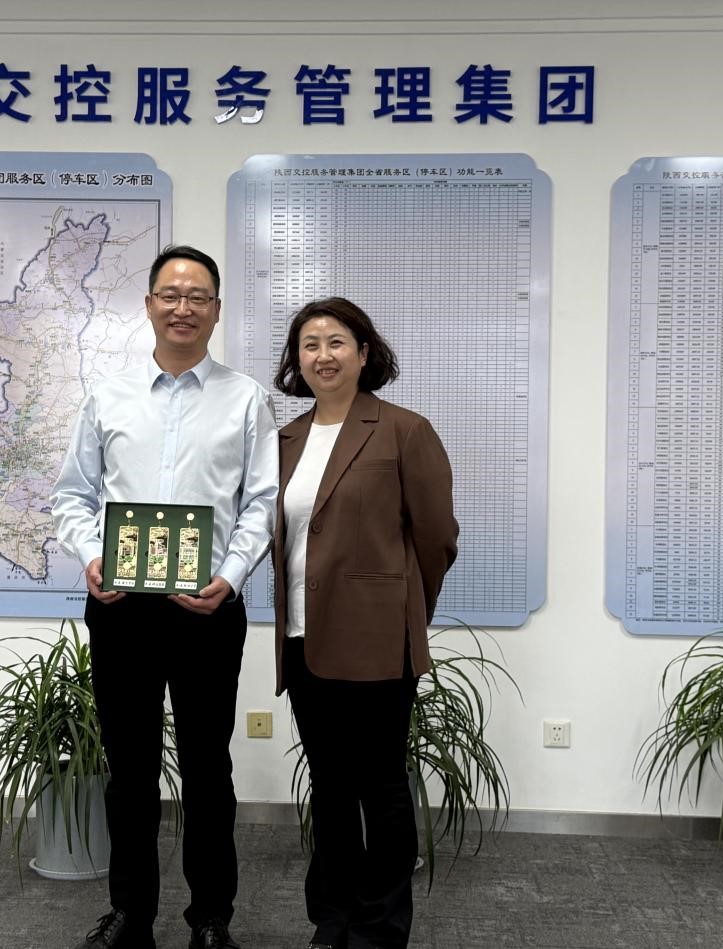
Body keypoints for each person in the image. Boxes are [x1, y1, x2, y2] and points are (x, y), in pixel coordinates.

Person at [51, 245, 279, 949]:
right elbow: (72, 495)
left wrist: (230, 575)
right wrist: (92, 556)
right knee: (130, 770)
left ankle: (210, 918)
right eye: (171, 295)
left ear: (216, 309)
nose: (184, 308)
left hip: (208, 608)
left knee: (209, 769)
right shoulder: (108, 395)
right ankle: (131, 915)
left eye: (198, 296)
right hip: (122, 607)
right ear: (149, 304)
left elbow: (261, 503)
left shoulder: (246, 398)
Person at [271, 298, 458, 949]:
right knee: (328, 786)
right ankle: (333, 918)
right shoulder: (286, 439)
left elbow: (436, 538)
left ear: (364, 352)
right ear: (296, 360)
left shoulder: (403, 429)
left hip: (378, 642)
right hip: (303, 638)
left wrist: (402, 610)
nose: (322, 355)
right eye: (310, 344)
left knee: (380, 787)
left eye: (336, 342)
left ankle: (379, 928)